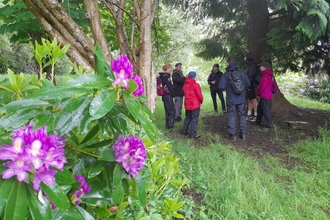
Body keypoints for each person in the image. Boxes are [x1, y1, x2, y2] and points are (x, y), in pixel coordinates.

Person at [219, 57, 250, 141]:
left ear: (228, 63)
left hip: (231, 99)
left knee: (231, 116)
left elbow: (221, 87)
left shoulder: (226, 75)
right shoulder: (242, 73)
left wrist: (228, 88)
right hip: (241, 98)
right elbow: (248, 83)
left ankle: (233, 135)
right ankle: (243, 134)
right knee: (242, 115)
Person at [182, 71, 204, 139]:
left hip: (187, 103)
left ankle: (184, 132)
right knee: (194, 119)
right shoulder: (196, 85)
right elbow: (199, 95)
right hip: (195, 104)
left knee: (188, 117)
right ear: (194, 77)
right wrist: (201, 101)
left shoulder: (185, 85)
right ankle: (193, 134)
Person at [256, 62, 274, 130]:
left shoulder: (266, 76)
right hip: (267, 95)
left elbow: (262, 86)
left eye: (261, 66)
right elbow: (274, 86)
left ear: (264, 67)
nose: (260, 68)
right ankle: (258, 121)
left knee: (266, 110)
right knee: (259, 108)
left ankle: (269, 126)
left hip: (265, 95)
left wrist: (258, 93)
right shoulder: (271, 76)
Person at [159, 64, 175, 129]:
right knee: (172, 111)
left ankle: (168, 125)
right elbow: (170, 86)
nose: (171, 69)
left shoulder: (163, 76)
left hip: (164, 96)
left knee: (167, 110)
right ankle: (170, 126)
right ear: (168, 68)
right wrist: (173, 94)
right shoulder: (166, 77)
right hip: (168, 95)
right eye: (170, 68)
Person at [244, 52, 259, 121]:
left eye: (245, 57)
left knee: (253, 100)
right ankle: (249, 114)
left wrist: (249, 86)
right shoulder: (249, 65)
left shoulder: (252, 66)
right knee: (250, 99)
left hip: (251, 85)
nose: (244, 58)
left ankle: (256, 115)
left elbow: (251, 76)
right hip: (248, 85)